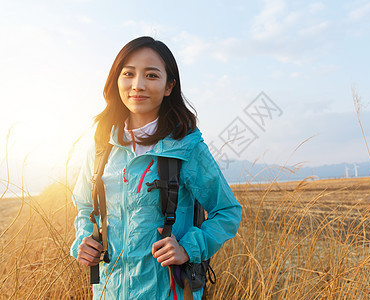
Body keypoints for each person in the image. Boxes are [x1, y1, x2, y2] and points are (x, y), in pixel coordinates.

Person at [70, 36, 242, 299]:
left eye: (151, 75)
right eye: (128, 74)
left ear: (168, 86)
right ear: (117, 80)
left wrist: (188, 247)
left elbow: (228, 211)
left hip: (167, 291)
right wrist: (84, 239)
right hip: (108, 291)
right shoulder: (102, 146)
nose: (137, 85)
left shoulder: (186, 147)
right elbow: (85, 206)